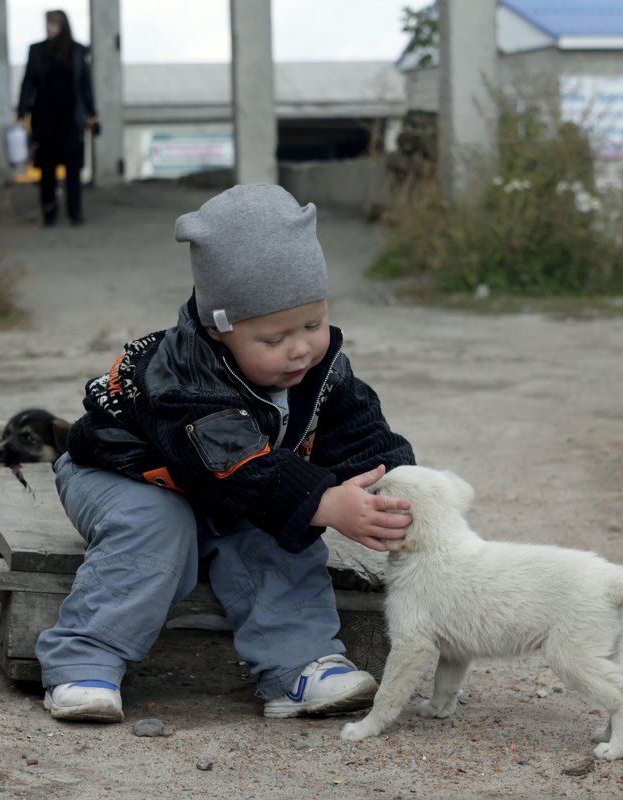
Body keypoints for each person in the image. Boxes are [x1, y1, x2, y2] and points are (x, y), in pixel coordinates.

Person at [38, 184, 416, 723]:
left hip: (230, 482)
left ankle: (299, 666)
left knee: (274, 528)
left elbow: (360, 436)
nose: (301, 347)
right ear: (220, 328)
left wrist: (398, 489)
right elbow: (233, 465)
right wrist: (324, 503)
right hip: (126, 475)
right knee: (160, 523)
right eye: (274, 338)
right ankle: (85, 658)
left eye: (312, 323)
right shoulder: (181, 379)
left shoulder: (321, 367)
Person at [17, 10, 99, 226]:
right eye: (48, 24)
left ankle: (75, 212)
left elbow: (85, 85)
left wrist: (92, 114)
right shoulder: (36, 50)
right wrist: (20, 112)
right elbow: (28, 82)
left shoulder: (78, 50)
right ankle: (49, 213)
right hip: (44, 118)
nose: (49, 28)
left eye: (54, 24)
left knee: (73, 167)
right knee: (47, 167)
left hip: (71, 118)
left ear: (63, 26)